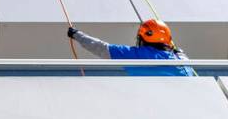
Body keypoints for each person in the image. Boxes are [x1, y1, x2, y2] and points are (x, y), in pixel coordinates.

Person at [67, 19, 195, 76]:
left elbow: (101, 48)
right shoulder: (181, 61)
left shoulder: (138, 55)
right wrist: (179, 53)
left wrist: (76, 35)